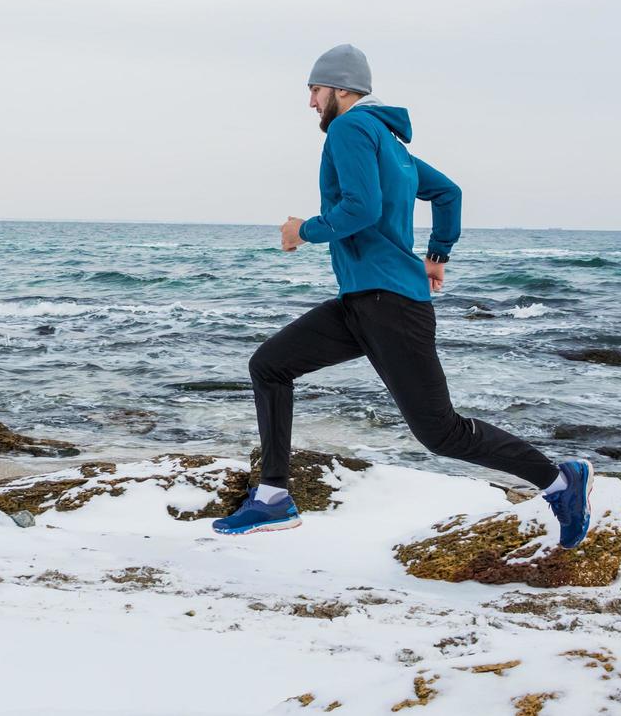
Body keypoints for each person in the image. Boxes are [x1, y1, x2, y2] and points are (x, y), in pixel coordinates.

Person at [212, 44, 593, 547]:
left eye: (314, 90)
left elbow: (361, 209)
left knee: (441, 432)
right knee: (270, 365)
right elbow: (448, 192)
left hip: (387, 305)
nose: (310, 102)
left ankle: (560, 480)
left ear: (342, 90)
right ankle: (273, 497)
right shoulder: (391, 143)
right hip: (362, 303)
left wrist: (301, 230)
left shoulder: (350, 128)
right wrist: (438, 254)